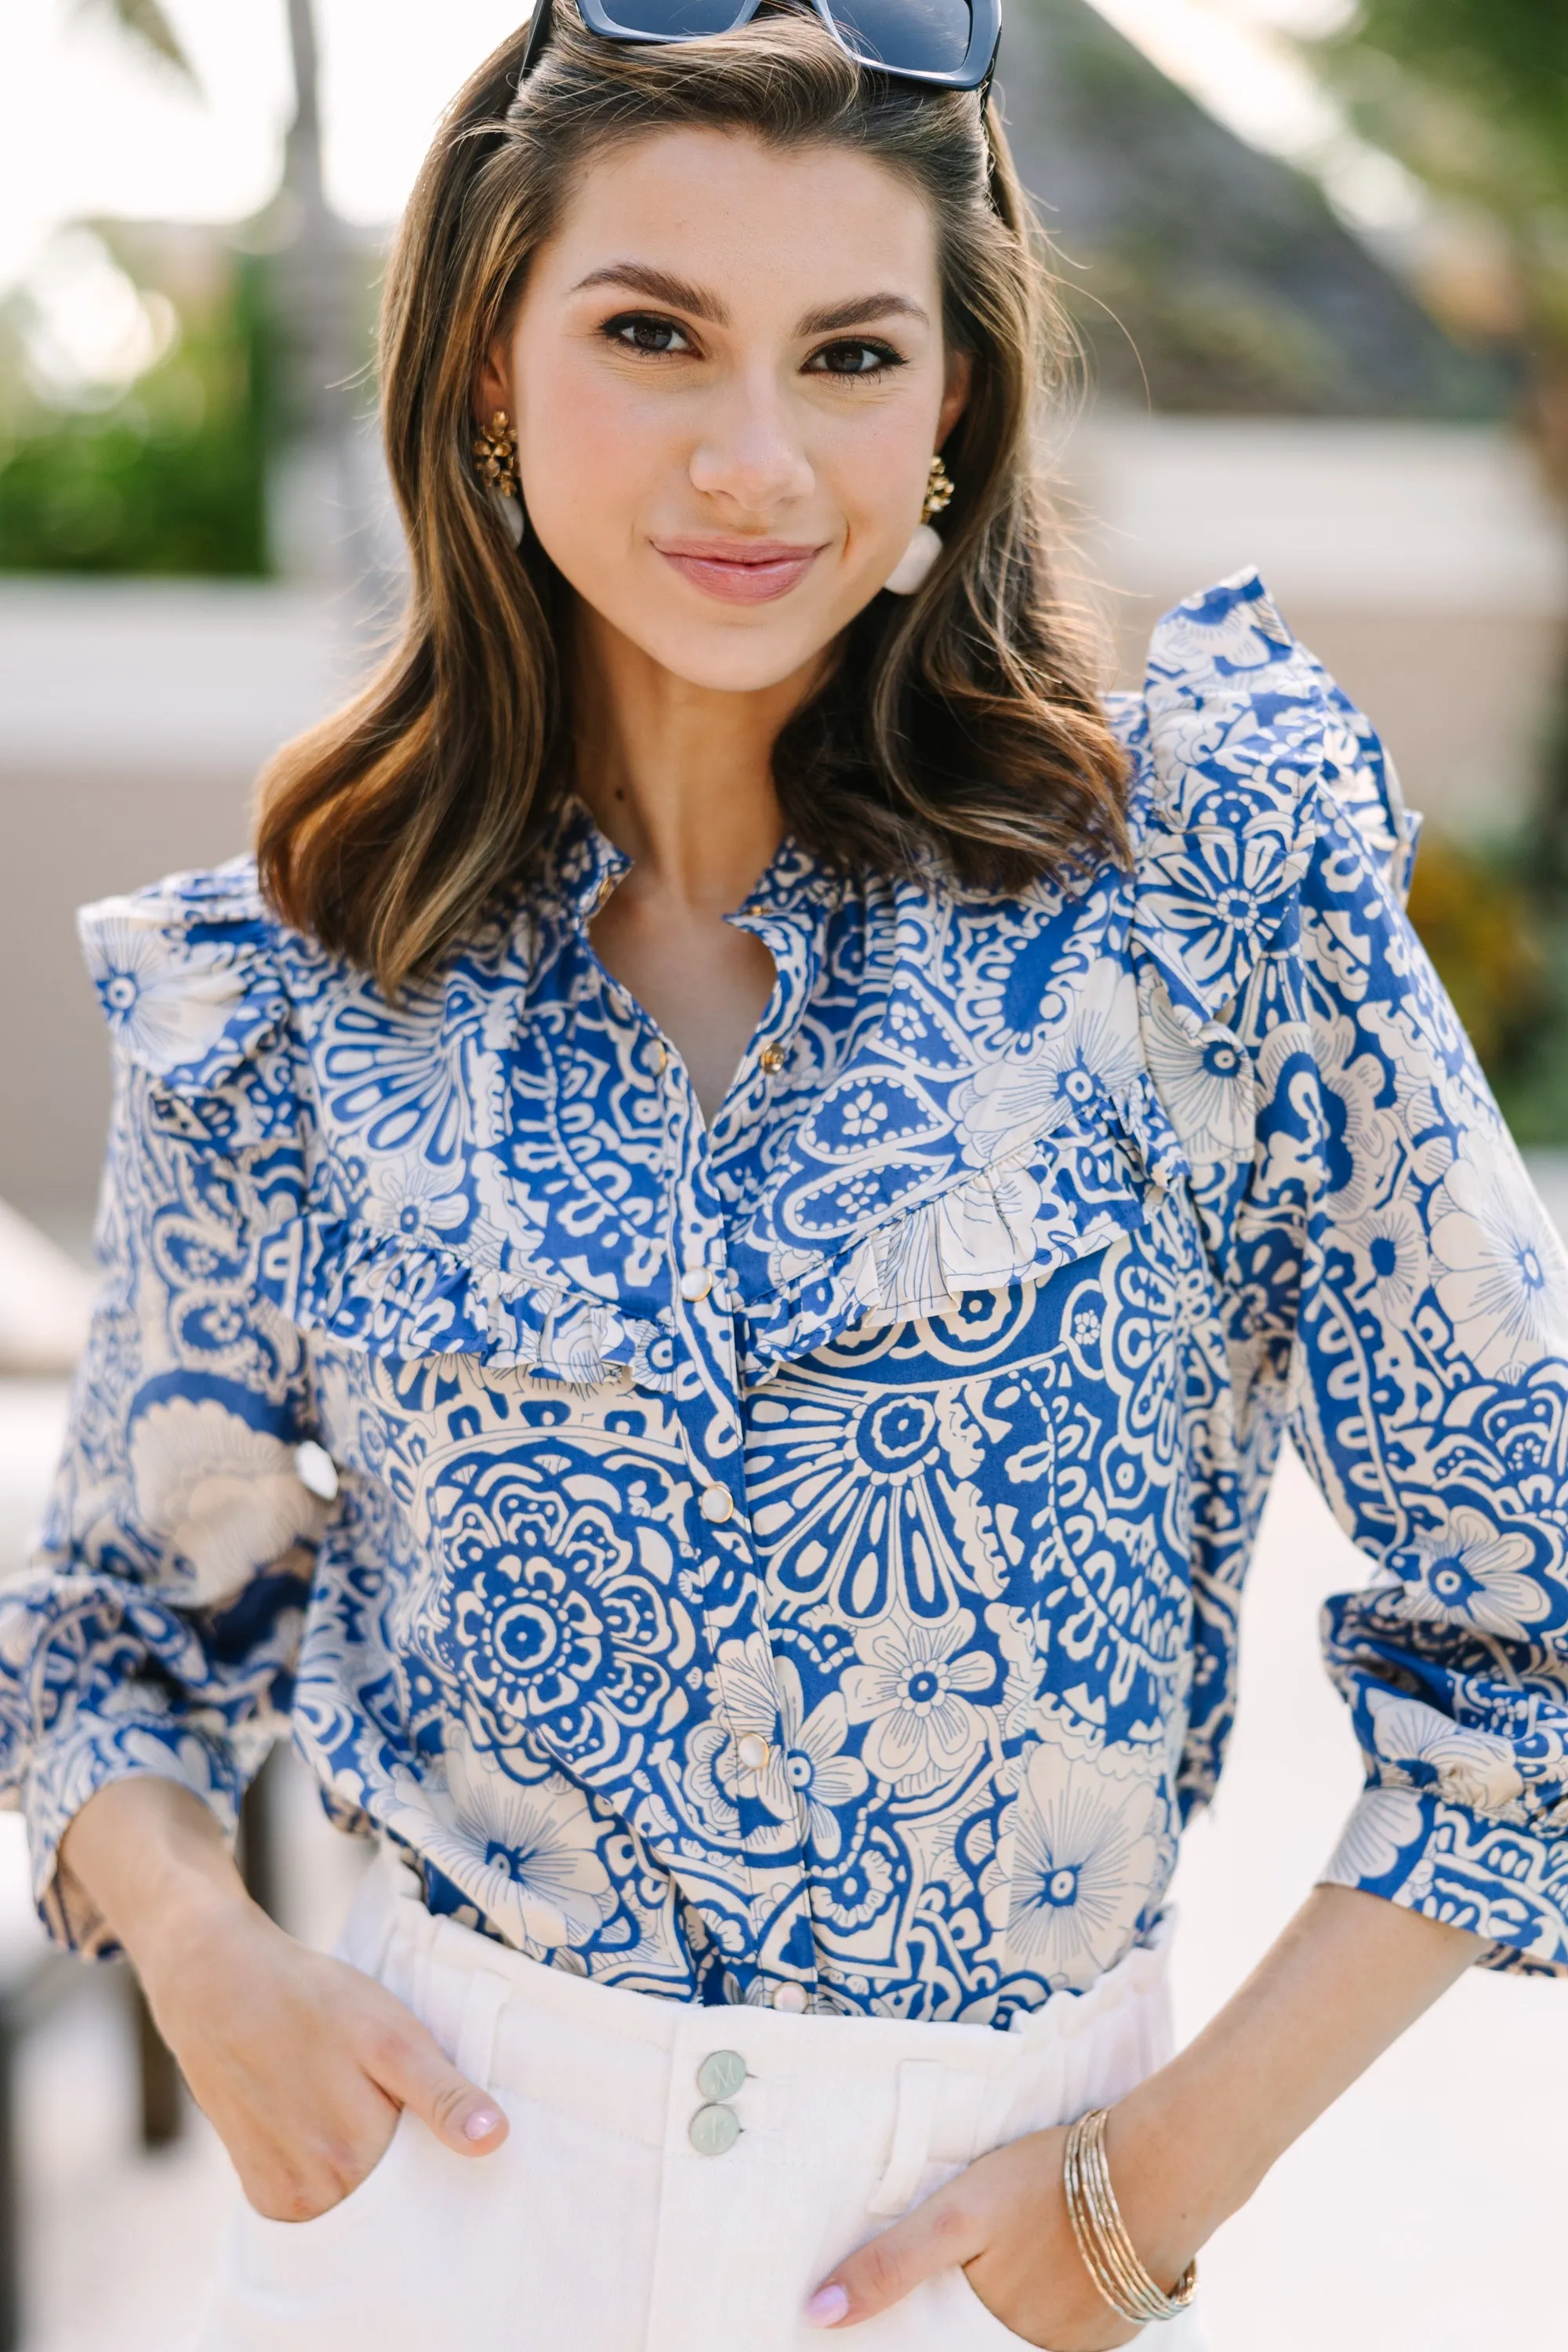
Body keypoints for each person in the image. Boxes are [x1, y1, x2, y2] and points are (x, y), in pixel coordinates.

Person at [11, 4, 1566, 2347]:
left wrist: (1154, 2182)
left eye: (850, 354)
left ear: (953, 406)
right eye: (654, 334)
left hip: (982, 2244)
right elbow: (112, 1636)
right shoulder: (309, 979)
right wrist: (213, 1960)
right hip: (429, 2226)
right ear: (487, 376)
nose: (758, 458)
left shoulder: (1208, 901)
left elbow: (1531, 1631)